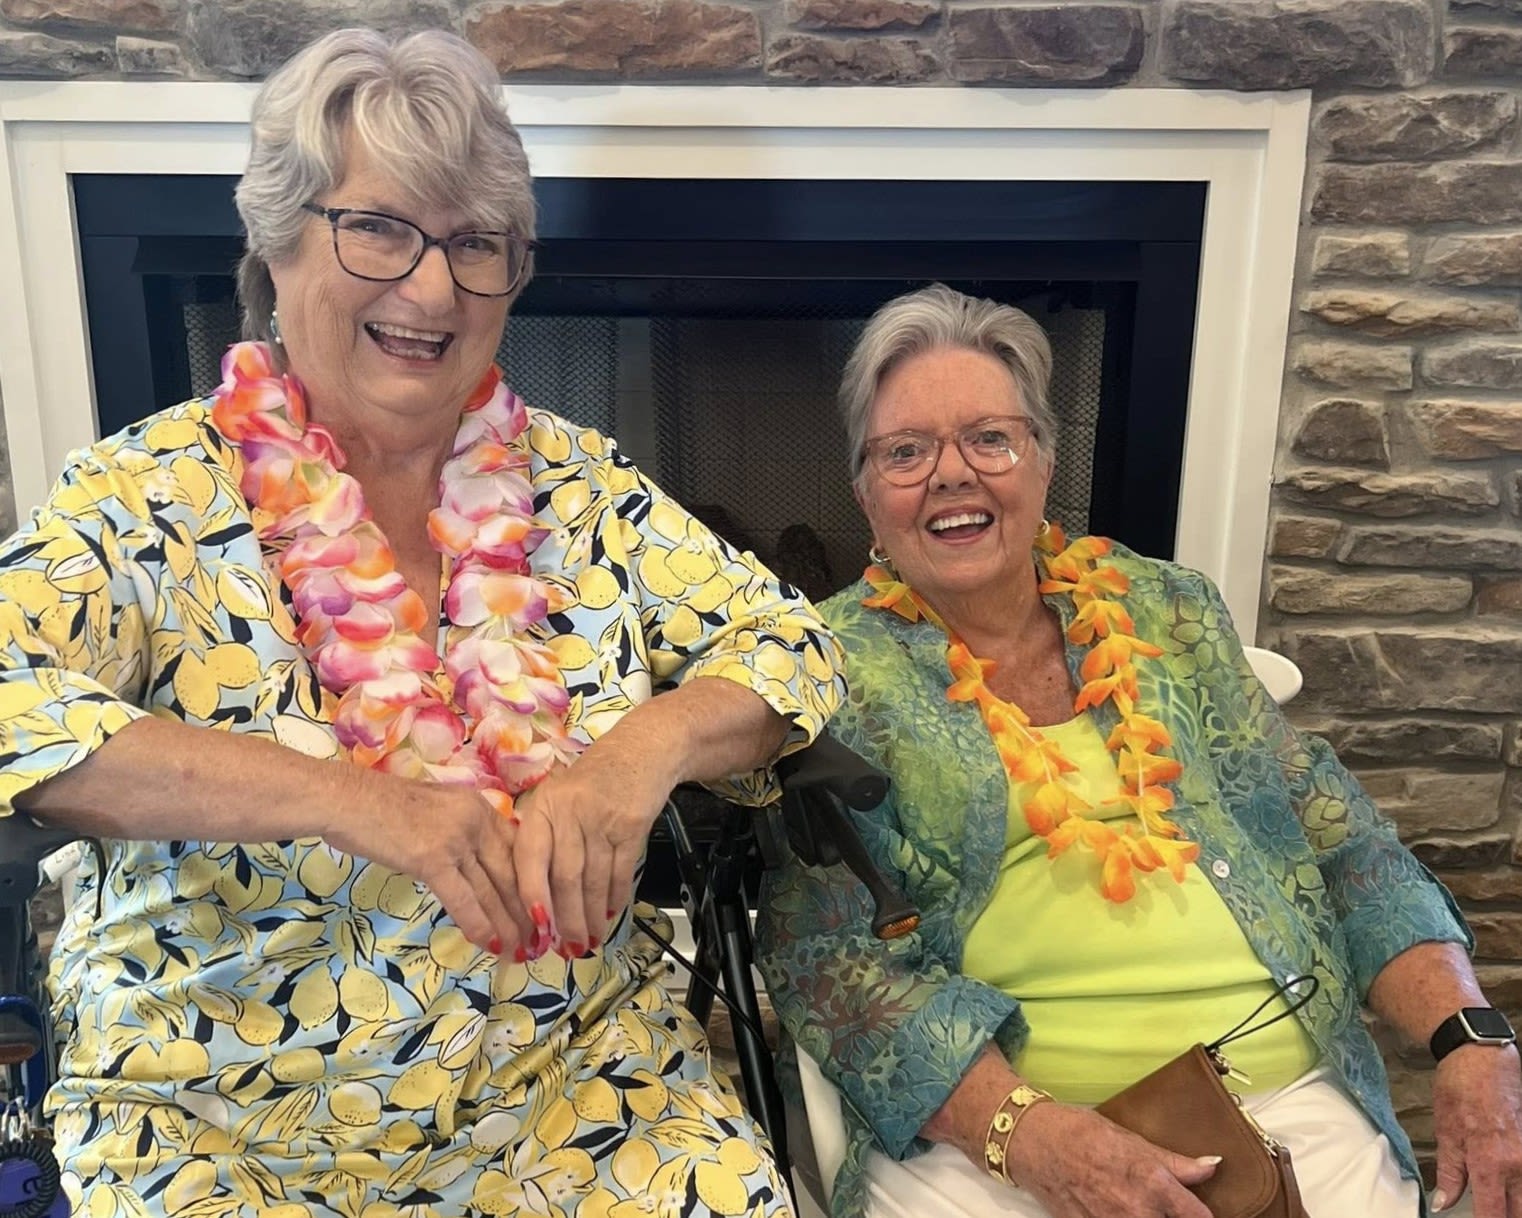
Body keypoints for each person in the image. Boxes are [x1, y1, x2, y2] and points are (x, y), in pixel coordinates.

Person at [0, 27, 845, 1216]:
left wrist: (635, 757)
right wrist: (361, 804)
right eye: (380, 228)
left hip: (572, 1088)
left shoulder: (576, 488)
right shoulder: (146, 499)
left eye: (474, 243)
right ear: (279, 242)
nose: (434, 288)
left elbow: (790, 644)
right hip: (223, 1123)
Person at [756, 283, 1522, 1218]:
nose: (951, 474)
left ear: (1042, 461)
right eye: (906, 452)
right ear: (865, 494)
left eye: (989, 439)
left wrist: (1472, 1038)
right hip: (1000, 1137)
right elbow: (828, 963)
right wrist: (1031, 1136)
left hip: (1279, 1103)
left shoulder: (1172, 612)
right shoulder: (824, 668)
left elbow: (1345, 842)